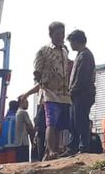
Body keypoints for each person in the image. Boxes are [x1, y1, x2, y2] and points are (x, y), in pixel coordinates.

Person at [20, 22, 72, 160]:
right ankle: (50, 150)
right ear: (51, 35)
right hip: (49, 92)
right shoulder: (43, 51)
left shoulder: (65, 51)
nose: (61, 36)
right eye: (58, 34)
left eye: (63, 33)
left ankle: (57, 149)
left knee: (62, 124)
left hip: (64, 94)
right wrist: (43, 83)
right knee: (51, 122)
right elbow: (36, 72)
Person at [67, 29, 96, 155]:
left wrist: (72, 90)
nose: (70, 45)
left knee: (81, 120)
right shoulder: (81, 55)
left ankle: (84, 147)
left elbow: (81, 78)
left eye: (71, 42)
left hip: (83, 93)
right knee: (74, 121)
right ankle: (72, 147)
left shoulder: (85, 56)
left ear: (77, 41)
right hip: (78, 94)